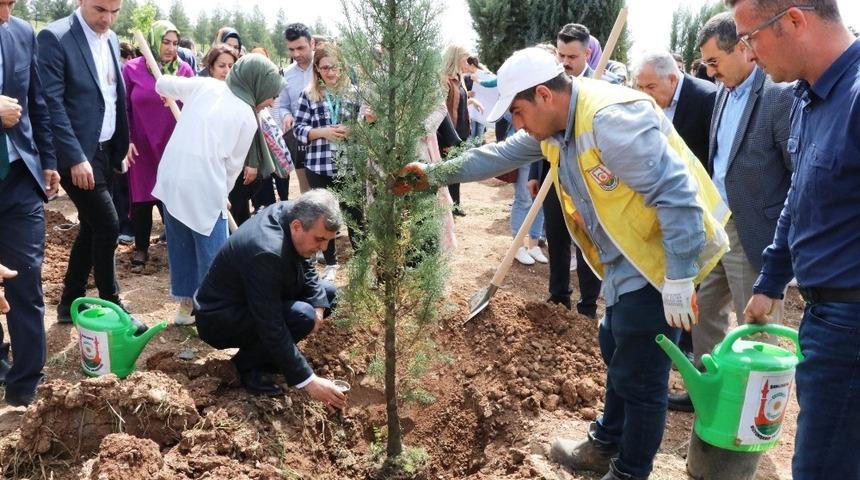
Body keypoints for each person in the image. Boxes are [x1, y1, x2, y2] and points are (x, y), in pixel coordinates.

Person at [396, 47, 729, 480]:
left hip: (665, 260)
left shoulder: (610, 121)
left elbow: (678, 196)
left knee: (643, 377)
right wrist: (431, 173)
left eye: (517, 111)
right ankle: (605, 443)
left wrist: (681, 278)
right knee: (617, 344)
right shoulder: (556, 127)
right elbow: (495, 157)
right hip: (629, 259)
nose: (516, 123)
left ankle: (629, 472)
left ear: (544, 95)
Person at [728, 1, 860, 478]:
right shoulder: (807, 99)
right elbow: (798, 196)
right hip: (827, 319)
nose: (748, 52)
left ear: (794, 21)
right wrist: (770, 279)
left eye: (749, 37)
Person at [667, 11, 794, 413]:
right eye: (706, 64)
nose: (710, 70)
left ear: (742, 48)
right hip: (716, 223)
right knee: (704, 313)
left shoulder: (777, 94)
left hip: (754, 229)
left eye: (715, 61)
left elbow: (795, 172)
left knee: (755, 321)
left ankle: (754, 409)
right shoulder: (721, 90)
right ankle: (710, 389)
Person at [37, 0, 147, 335]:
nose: (108, 19)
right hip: (76, 155)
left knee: (92, 225)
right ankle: (111, 303)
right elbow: (51, 103)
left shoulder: (111, 38)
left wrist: (121, 142)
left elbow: (113, 97)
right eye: (100, 9)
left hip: (104, 151)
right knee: (108, 224)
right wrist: (74, 157)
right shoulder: (55, 37)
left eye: (115, 11)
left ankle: (69, 302)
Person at [152, 53, 284, 325]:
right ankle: (213, 314)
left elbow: (163, 82)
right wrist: (221, 195)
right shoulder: (247, 118)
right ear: (256, 84)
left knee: (181, 244)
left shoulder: (206, 85)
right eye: (271, 94)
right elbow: (231, 167)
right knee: (214, 255)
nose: (272, 101)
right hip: (203, 186)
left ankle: (186, 308)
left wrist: (165, 92)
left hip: (171, 177)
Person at [194, 189, 347, 408]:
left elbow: (306, 262)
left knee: (327, 295)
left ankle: (270, 357)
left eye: (327, 241)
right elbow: (271, 324)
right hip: (221, 316)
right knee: (301, 316)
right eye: (320, 239)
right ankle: (245, 367)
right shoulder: (266, 251)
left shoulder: (292, 212)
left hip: (255, 295)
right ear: (296, 227)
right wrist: (309, 382)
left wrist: (319, 308)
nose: (323, 248)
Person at [527, 23, 621, 318]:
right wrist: (535, 172)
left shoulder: (602, 87)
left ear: (588, 54)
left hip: (589, 181)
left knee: (587, 238)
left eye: (572, 56)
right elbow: (536, 130)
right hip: (554, 175)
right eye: (561, 54)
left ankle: (588, 306)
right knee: (556, 235)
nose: (565, 62)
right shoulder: (551, 84)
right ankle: (558, 298)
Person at [0, 0, 59, 407]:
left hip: (20, 175)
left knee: (25, 277)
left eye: (12, 3)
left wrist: (50, 160)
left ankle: (26, 382)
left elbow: (37, 100)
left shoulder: (22, 33)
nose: (7, 12)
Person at [123, 20, 194, 267]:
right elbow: (124, 108)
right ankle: (141, 247)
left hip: (172, 144)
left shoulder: (183, 71)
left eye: (175, 43)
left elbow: (194, 106)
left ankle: (177, 246)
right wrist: (127, 140)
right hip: (141, 144)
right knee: (142, 197)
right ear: (153, 41)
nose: (171, 48)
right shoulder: (132, 69)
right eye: (165, 42)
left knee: (171, 197)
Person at [293, 44, 361, 282]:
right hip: (319, 166)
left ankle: (362, 263)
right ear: (317, 69)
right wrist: (321, 132)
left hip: (349, 166)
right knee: (324, 216)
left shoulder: (355, 93)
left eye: (335, 67)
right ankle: (331, 262)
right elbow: (298, 130)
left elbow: (366, 126)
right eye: (325, 67)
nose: (331, 72)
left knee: (354, 214)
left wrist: (352, 130)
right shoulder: (308, 95)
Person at [632, 51, 716, 168]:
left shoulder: (707, 98)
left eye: (651, 87)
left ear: (672, 80)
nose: (645, 94)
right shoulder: (645, 102)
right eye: (640, 87)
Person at [441, 44, 483, 217]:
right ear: (456, 58)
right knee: (448, 172)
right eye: (465, 58)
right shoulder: (444, 80)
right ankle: (447, 208)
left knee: (456, 171)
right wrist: (446, 139)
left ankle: (455, 205)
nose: (468, 62)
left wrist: (473, 102)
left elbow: (459, 103)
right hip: (450, 135)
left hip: (462, 132)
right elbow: (442, 111)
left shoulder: (459, 78)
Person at [276, 23, 316, 195]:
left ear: (312, 43)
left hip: (327, 137)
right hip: (300, 139)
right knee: (306, 190)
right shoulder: (286, 74)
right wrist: (286, 116)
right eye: (291, 49)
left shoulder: (325, 67)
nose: (296, 54)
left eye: (301, 48)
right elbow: (283, 105)